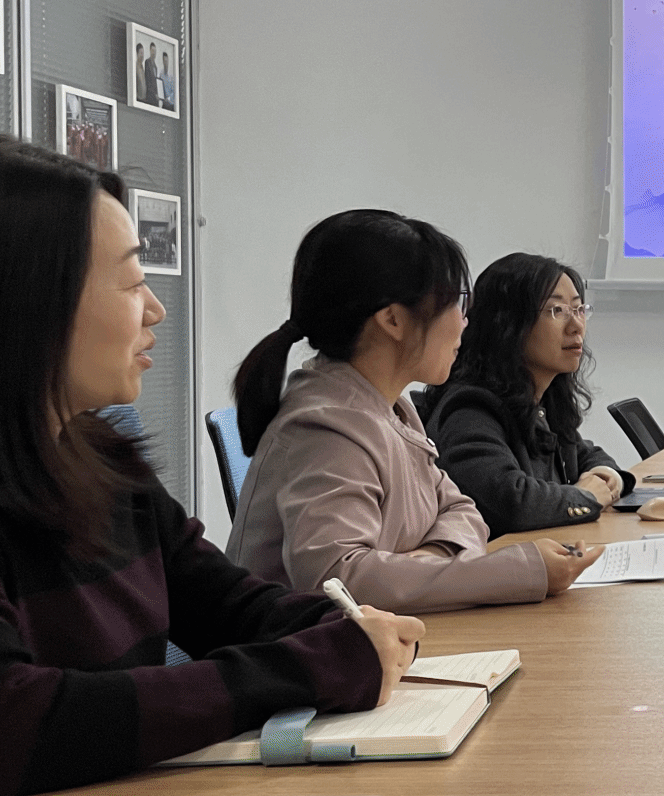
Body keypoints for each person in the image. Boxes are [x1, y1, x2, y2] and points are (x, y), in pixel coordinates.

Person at [0, 135, 424, 796]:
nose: (155, 310)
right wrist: (301, 667)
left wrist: (333, 626)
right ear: (25, 301)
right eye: (132, 283)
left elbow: (226, 603)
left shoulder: (102, 458)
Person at [227, 211, 602, 611]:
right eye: (454, 303)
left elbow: (462, 511)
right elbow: (336, 582)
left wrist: (421, 565)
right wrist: (521, 571)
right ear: (393, 319)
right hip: (300, 647)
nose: (464, 322)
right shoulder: (327, 427)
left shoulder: (390, 407)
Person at [419, 253, 636, 539]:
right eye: (557, 311)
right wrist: (586, 497)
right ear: (508, 324)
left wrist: (607, 476)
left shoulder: (540, 399)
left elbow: (586, 454)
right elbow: (512, 503)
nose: (576, 325)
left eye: (579, 309)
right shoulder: (469, 410)